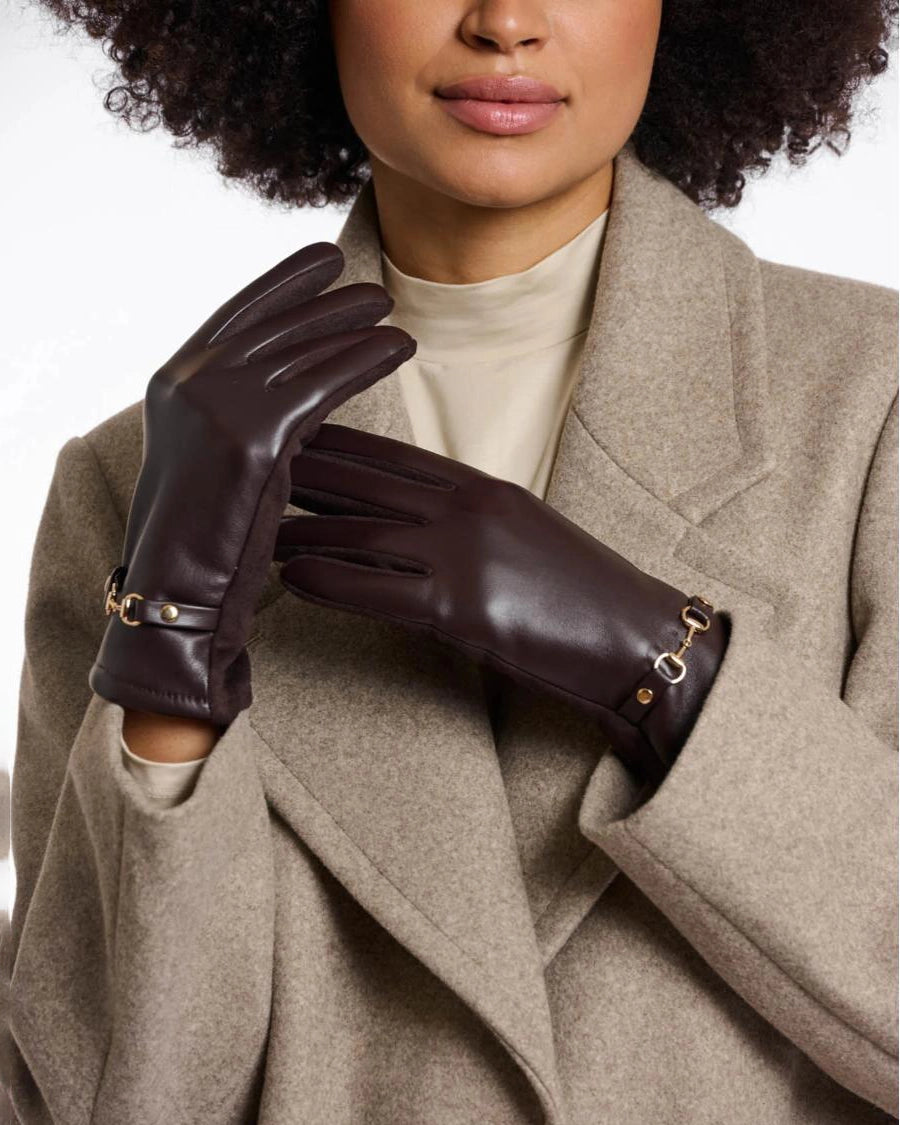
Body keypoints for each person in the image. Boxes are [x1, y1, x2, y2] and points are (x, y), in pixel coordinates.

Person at [3, 2, 898, 1123]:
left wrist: (668, 668)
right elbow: (103, 1097)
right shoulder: (132, 481)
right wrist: (169, 649)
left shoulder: (876, 403)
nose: (506, 22)